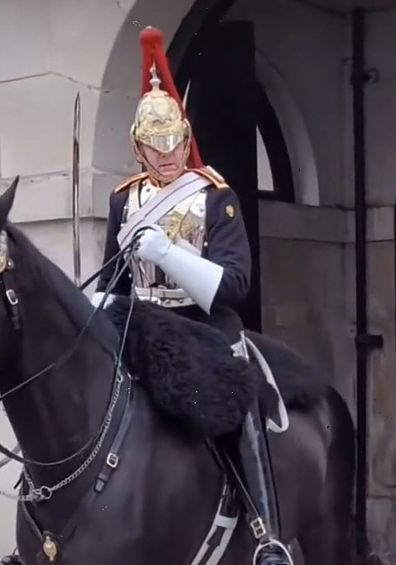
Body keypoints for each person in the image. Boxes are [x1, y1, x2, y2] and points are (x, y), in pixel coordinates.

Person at [92, 27, 289, 565]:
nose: (169, 153)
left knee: (239, 395)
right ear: (139, 147)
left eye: (175, 141)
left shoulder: (213, 195)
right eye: (156, 146)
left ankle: (266, 529)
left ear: (185, 134)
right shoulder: (123, 201)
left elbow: (236, 284)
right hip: (141, 324)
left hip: (203, 326)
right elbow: (114, 278)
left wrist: (166, 252)